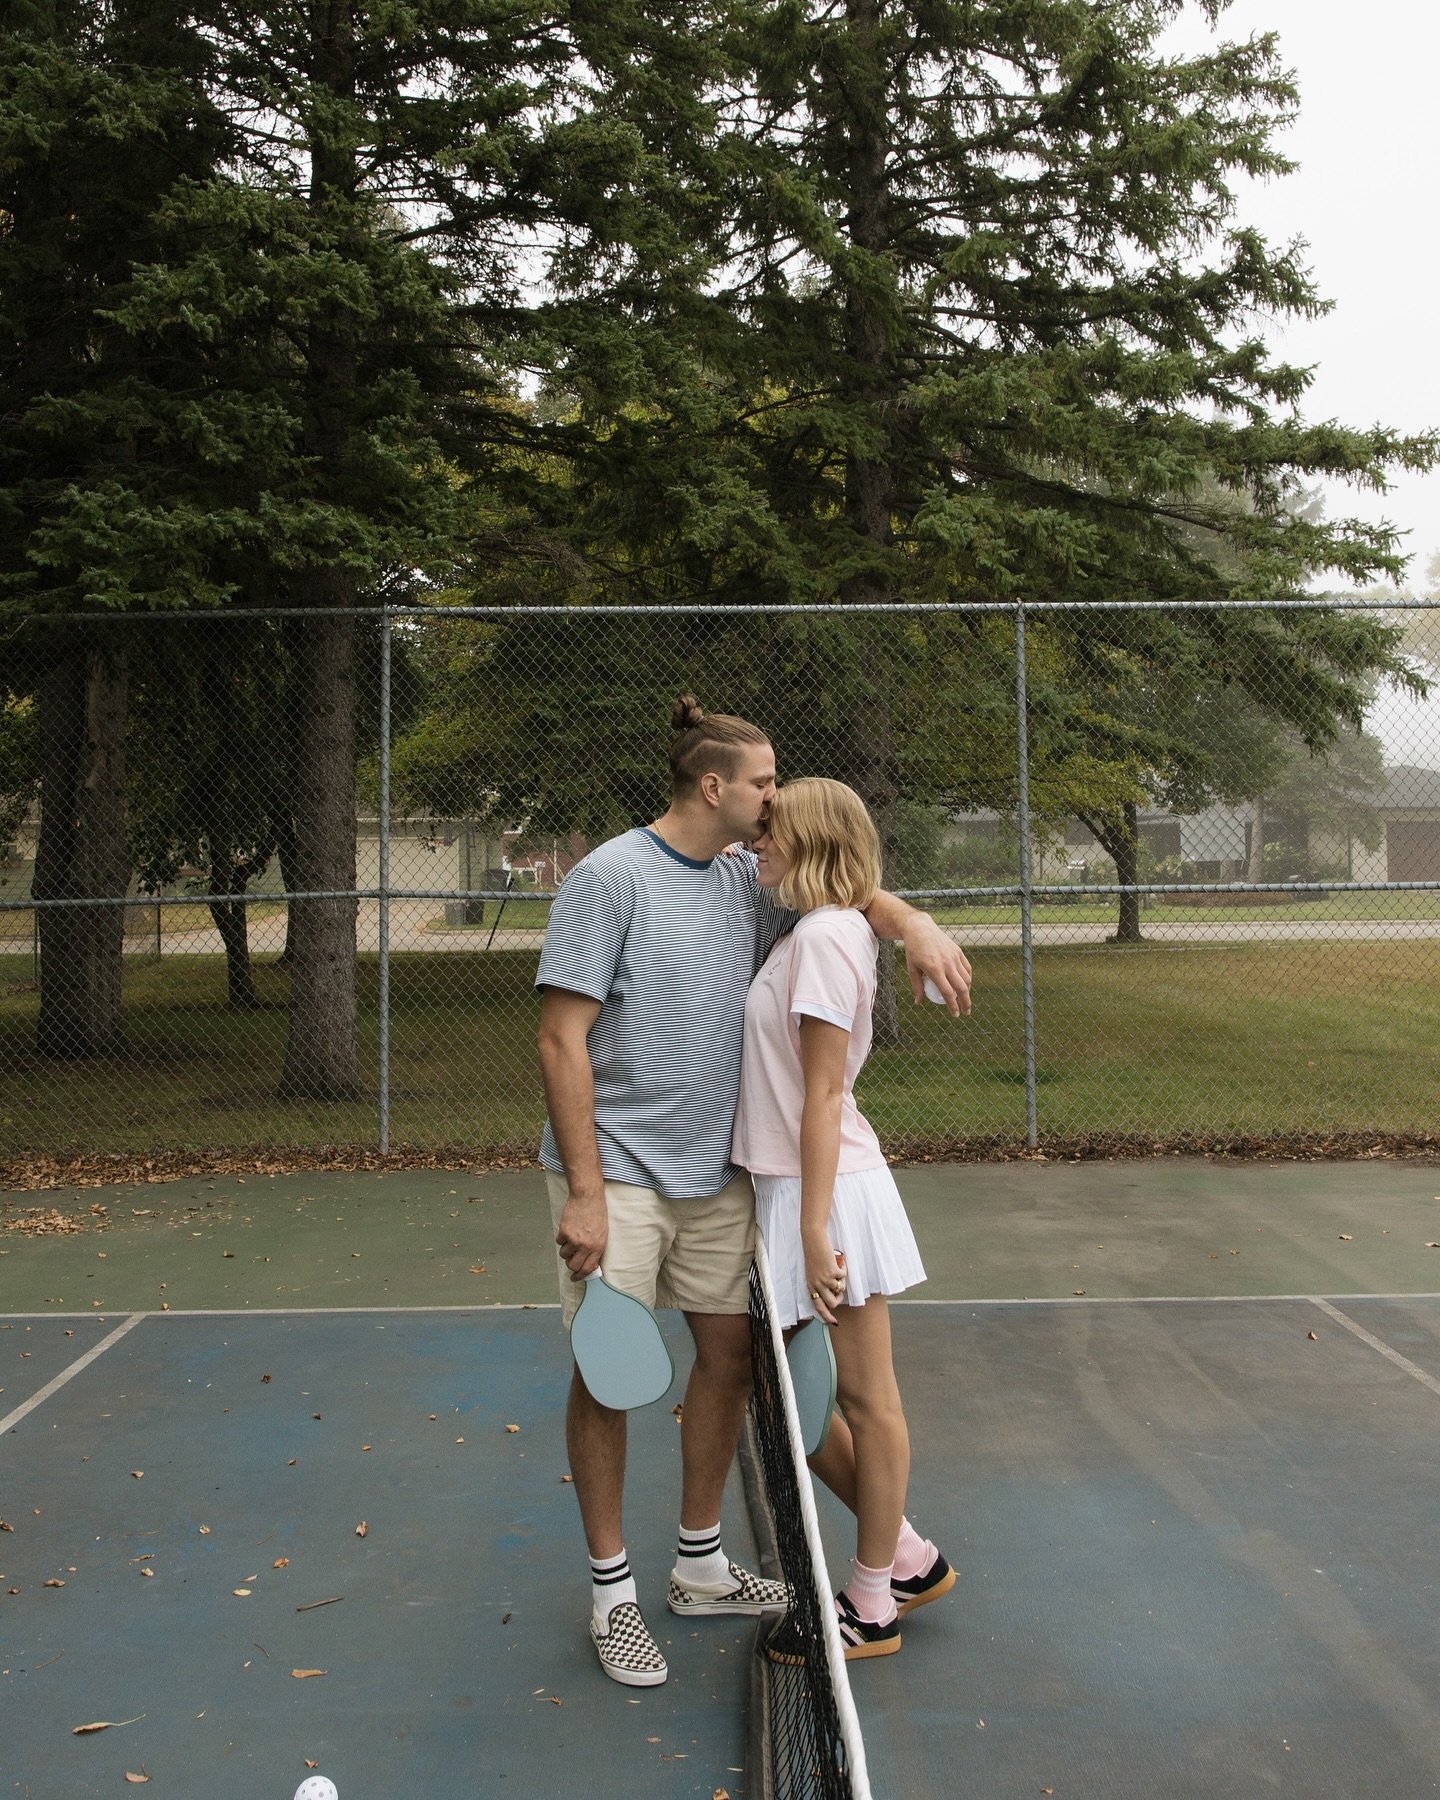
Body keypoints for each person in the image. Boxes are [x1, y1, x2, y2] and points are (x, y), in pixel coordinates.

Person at [536, 697, 971, 1688]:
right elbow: (561, 1038)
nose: (776, 797)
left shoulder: (749, 876)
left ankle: (701, 1565)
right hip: (622, 1173)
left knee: (732, 1365)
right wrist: (587, 1193)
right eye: (766, 782)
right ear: (714, 787)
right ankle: (614, 1596)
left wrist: (919, 924)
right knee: (610, 1381)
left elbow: (849, 888)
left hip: (726, 1179)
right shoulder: (609, 879)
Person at [732, 777, 955, 1660]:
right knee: (800, 1394)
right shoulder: (819, 927)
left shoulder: (825, 937)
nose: (758, 842)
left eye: (771, 833)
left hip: (824, 1192)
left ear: (810, 843)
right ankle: (902, 1554)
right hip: (797, 1189)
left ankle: (871, 1603)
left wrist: (814, 1227)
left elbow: (823, 1095)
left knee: (863, 1398)